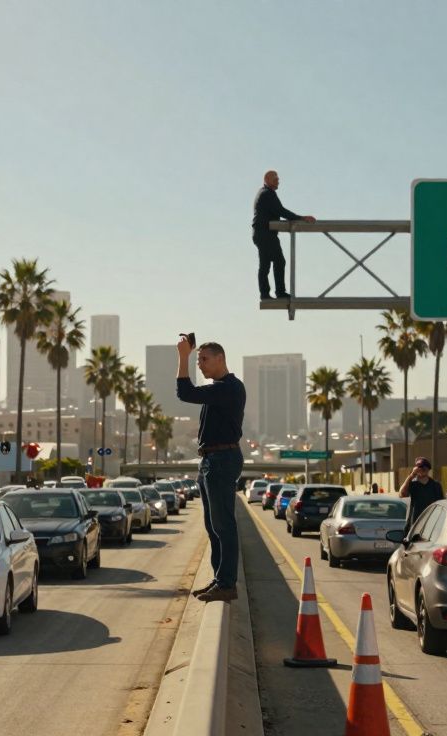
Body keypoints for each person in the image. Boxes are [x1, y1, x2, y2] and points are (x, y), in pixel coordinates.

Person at [177, 336, 246, 603]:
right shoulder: (218, 388)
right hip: (210, 460)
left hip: (222, 459)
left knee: (223, 525)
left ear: (220, 359)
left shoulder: (229, 388)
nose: (201, 364)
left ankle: (227, 583)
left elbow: (185, 392)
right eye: (197, 360)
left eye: (204, 359)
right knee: (212, 526)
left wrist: (182, 357)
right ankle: (220, 579)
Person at [252, 170, 316, 300]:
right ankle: (279, 292)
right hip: (266, 234)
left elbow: (277, 211)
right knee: (279, 261)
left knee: (265, 264)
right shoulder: (268, 194)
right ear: (267, 179)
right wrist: (301, 218)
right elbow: (281, 211)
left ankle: (265, 294)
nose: (278, 181)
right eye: (275, 179)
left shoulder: (264, 192)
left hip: (261, 233)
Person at [398, 457, 443, 535]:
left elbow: (441, 504)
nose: (421, 470)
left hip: (432, 524)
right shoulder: (412, 484)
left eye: (423, 467)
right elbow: (402, 494)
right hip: (415, 524)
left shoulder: (435, 485)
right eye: (419, 467)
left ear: (428, 469)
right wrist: (411, 475)